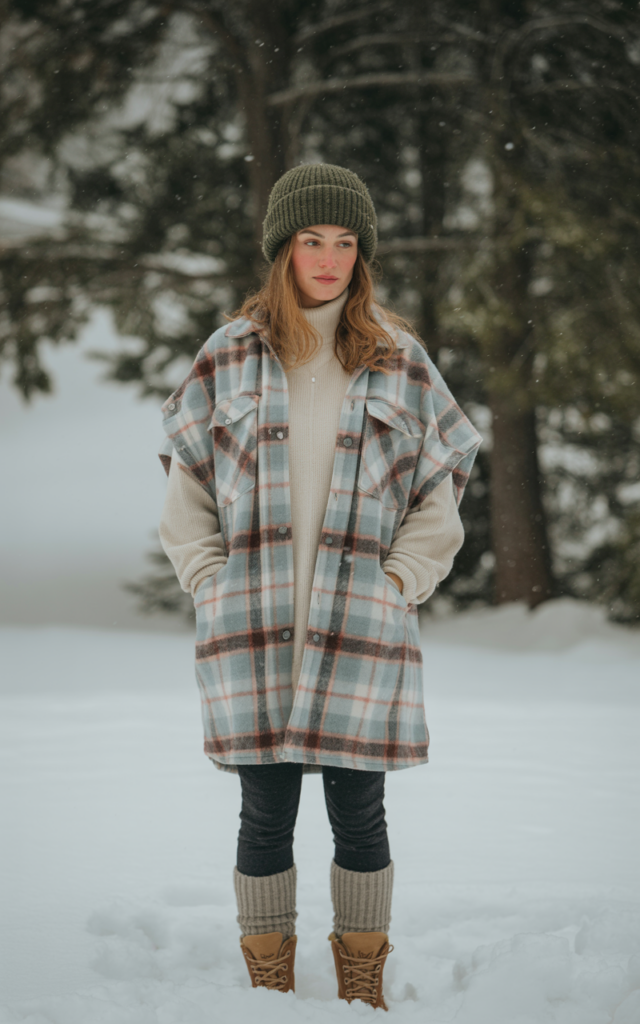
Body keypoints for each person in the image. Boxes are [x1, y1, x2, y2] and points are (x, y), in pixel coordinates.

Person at [158, 163, 481, 1009]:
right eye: (313, 241)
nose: (329, 259)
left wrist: (400, 581)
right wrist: (206, 577)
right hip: (252, 625)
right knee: (264, 816)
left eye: (345, 243)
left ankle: (360, 978)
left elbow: (437, 498)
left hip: (360, 628)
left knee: (359, 817)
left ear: (361, 254)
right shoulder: (227, 356)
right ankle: (268, 983)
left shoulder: (397, 361)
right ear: (283, 250)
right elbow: (186, 490)